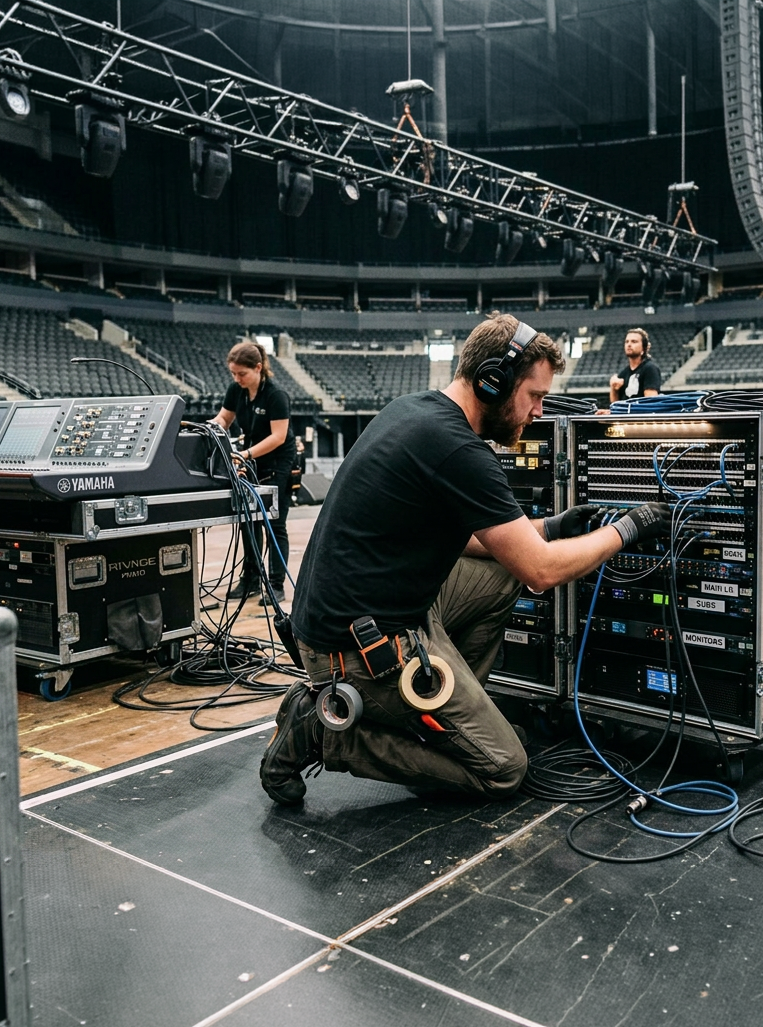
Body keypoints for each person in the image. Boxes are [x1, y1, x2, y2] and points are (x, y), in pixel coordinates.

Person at [263, 313, 670, 806]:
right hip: (357, 651)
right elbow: (540, 570)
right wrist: (626, 529)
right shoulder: (458, 449)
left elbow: (478, 542)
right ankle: (322, 733)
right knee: (503, 769)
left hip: (367, 619)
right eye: (534, 396)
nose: (538, 411)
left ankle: (446, 726)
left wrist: (552, 527)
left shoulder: (416, 412)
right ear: (492, 381)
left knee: (499, 578)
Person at [210, 341, 297, 603]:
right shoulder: (236, 390)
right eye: (233, 374)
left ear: (258, 368)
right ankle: (251, 580)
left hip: (278, 463)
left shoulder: (276, 395)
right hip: (252, 461)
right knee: (249, 522)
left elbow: (278, 437)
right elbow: (224, 418)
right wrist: (211, 426)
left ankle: (276, 585)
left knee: (274, 525)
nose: (237, 379)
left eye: (242, 374)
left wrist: (245, 454)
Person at [608, 328, 662, 404]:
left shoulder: (650, 369)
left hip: (641, 411)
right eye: (627, 342)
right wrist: (614, 388)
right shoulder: (624, 373)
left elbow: (651, 402)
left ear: (644, 347)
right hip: (627, 411)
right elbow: (615, 404)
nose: (629, 344)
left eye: (634, 341)